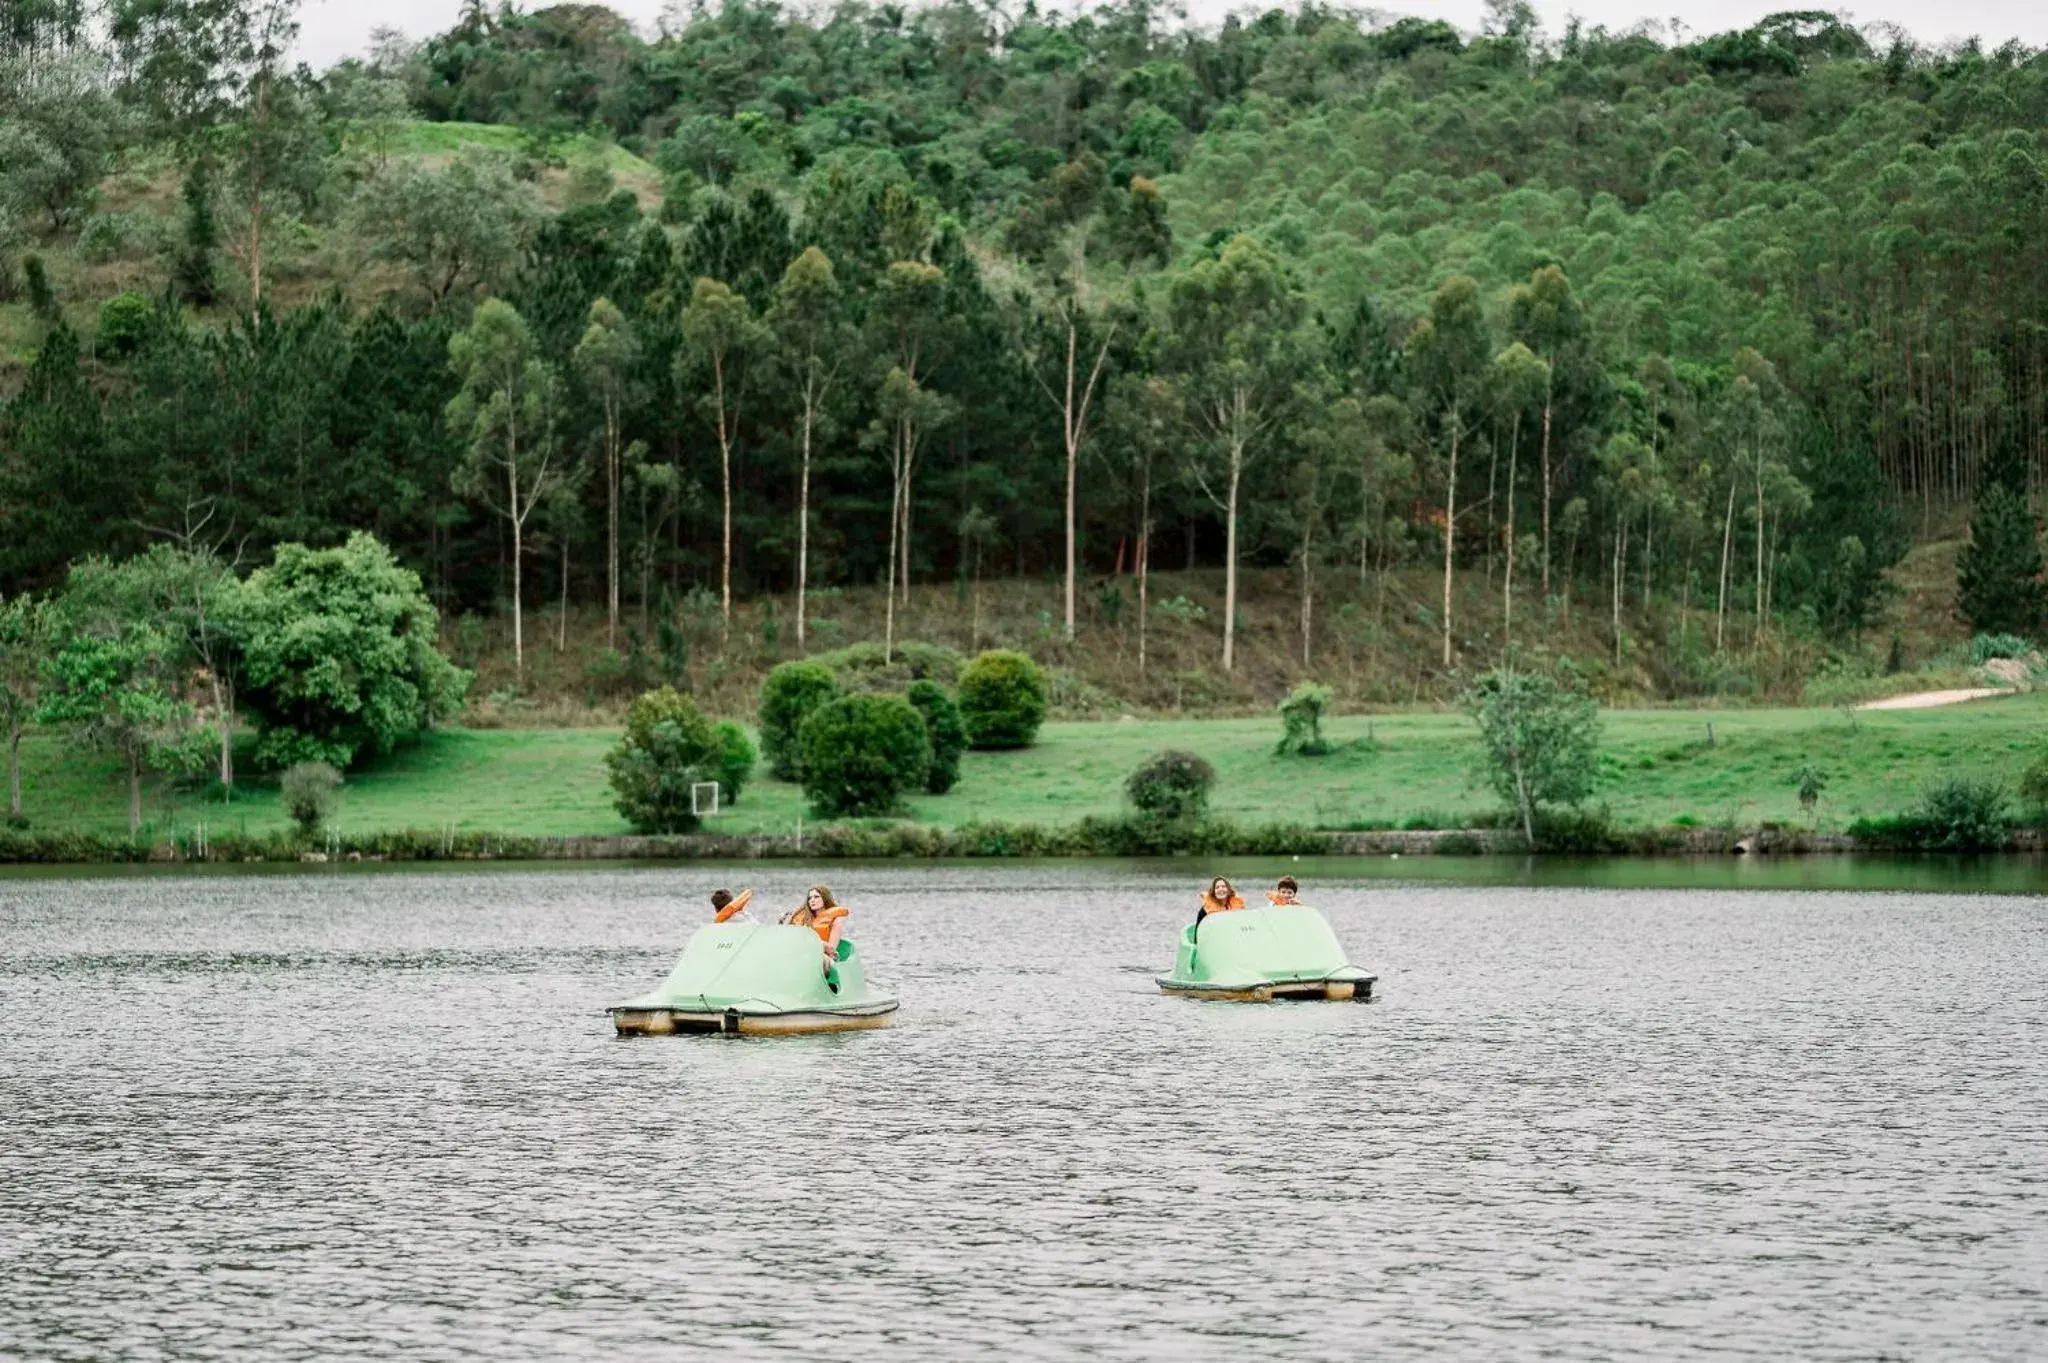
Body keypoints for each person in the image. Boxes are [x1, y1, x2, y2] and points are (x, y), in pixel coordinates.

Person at [784, 885, 849, 991]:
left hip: (826, 957)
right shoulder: (803, 919)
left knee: (817, 959)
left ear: (825, 898)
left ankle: (825, 988)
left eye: (816, 897)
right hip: (803, 954)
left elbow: (831, 949)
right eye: (810, 898)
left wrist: (810, 939)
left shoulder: (835, 921)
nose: (812, 900)